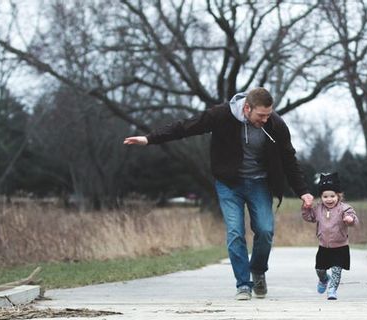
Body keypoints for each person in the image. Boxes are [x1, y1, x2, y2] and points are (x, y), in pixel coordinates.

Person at [124, 88, 314, 300]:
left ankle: (258, 270)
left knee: (265, 230)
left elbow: (289, 158)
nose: (265, 119)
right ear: (247, 107)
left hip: (259, 183)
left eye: (268, 114)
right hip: (229, 183)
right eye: (261, 115)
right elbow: (186, 127)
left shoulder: (275, 124)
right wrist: (150, 139)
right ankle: (243, 284)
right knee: (235, 232)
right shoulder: (221, 115)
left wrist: (303, 192)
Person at [301, 172, 358, 300]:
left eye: (332, 196)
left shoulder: (344, 208)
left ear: (338, 196)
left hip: (340, 247)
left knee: (337, 270)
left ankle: (332, 290)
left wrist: (350, 219)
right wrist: (306, 208)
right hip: (324, 247)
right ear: (321, 197)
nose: (329, 199)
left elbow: (354, 219)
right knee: (320, 269)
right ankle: (324, 279)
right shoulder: (318, 209)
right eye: (325, 196)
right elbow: (309, 217)